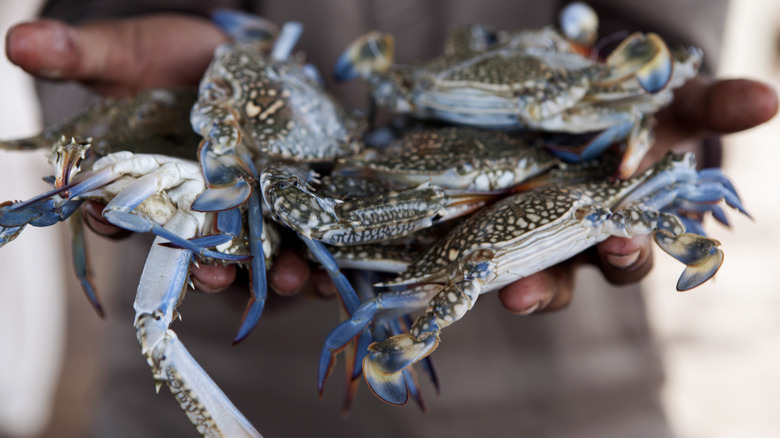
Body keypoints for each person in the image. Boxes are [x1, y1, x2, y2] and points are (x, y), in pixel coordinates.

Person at [3, 1, 777, 436]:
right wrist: (120, 54)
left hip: (573, 398)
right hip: (202, 382)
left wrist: (635, 93)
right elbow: (87, 43)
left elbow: (656, 39)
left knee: (464, 252)